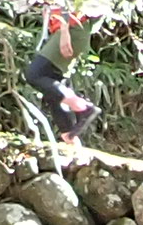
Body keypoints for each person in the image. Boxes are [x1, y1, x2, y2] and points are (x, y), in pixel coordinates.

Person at [26, 15, 96, 145]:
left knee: (34, 75)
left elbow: (68, 5)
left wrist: (64, 32)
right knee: (51, 88)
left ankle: (82, 106)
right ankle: (70, 138)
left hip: (71, 29)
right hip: (68, 29)